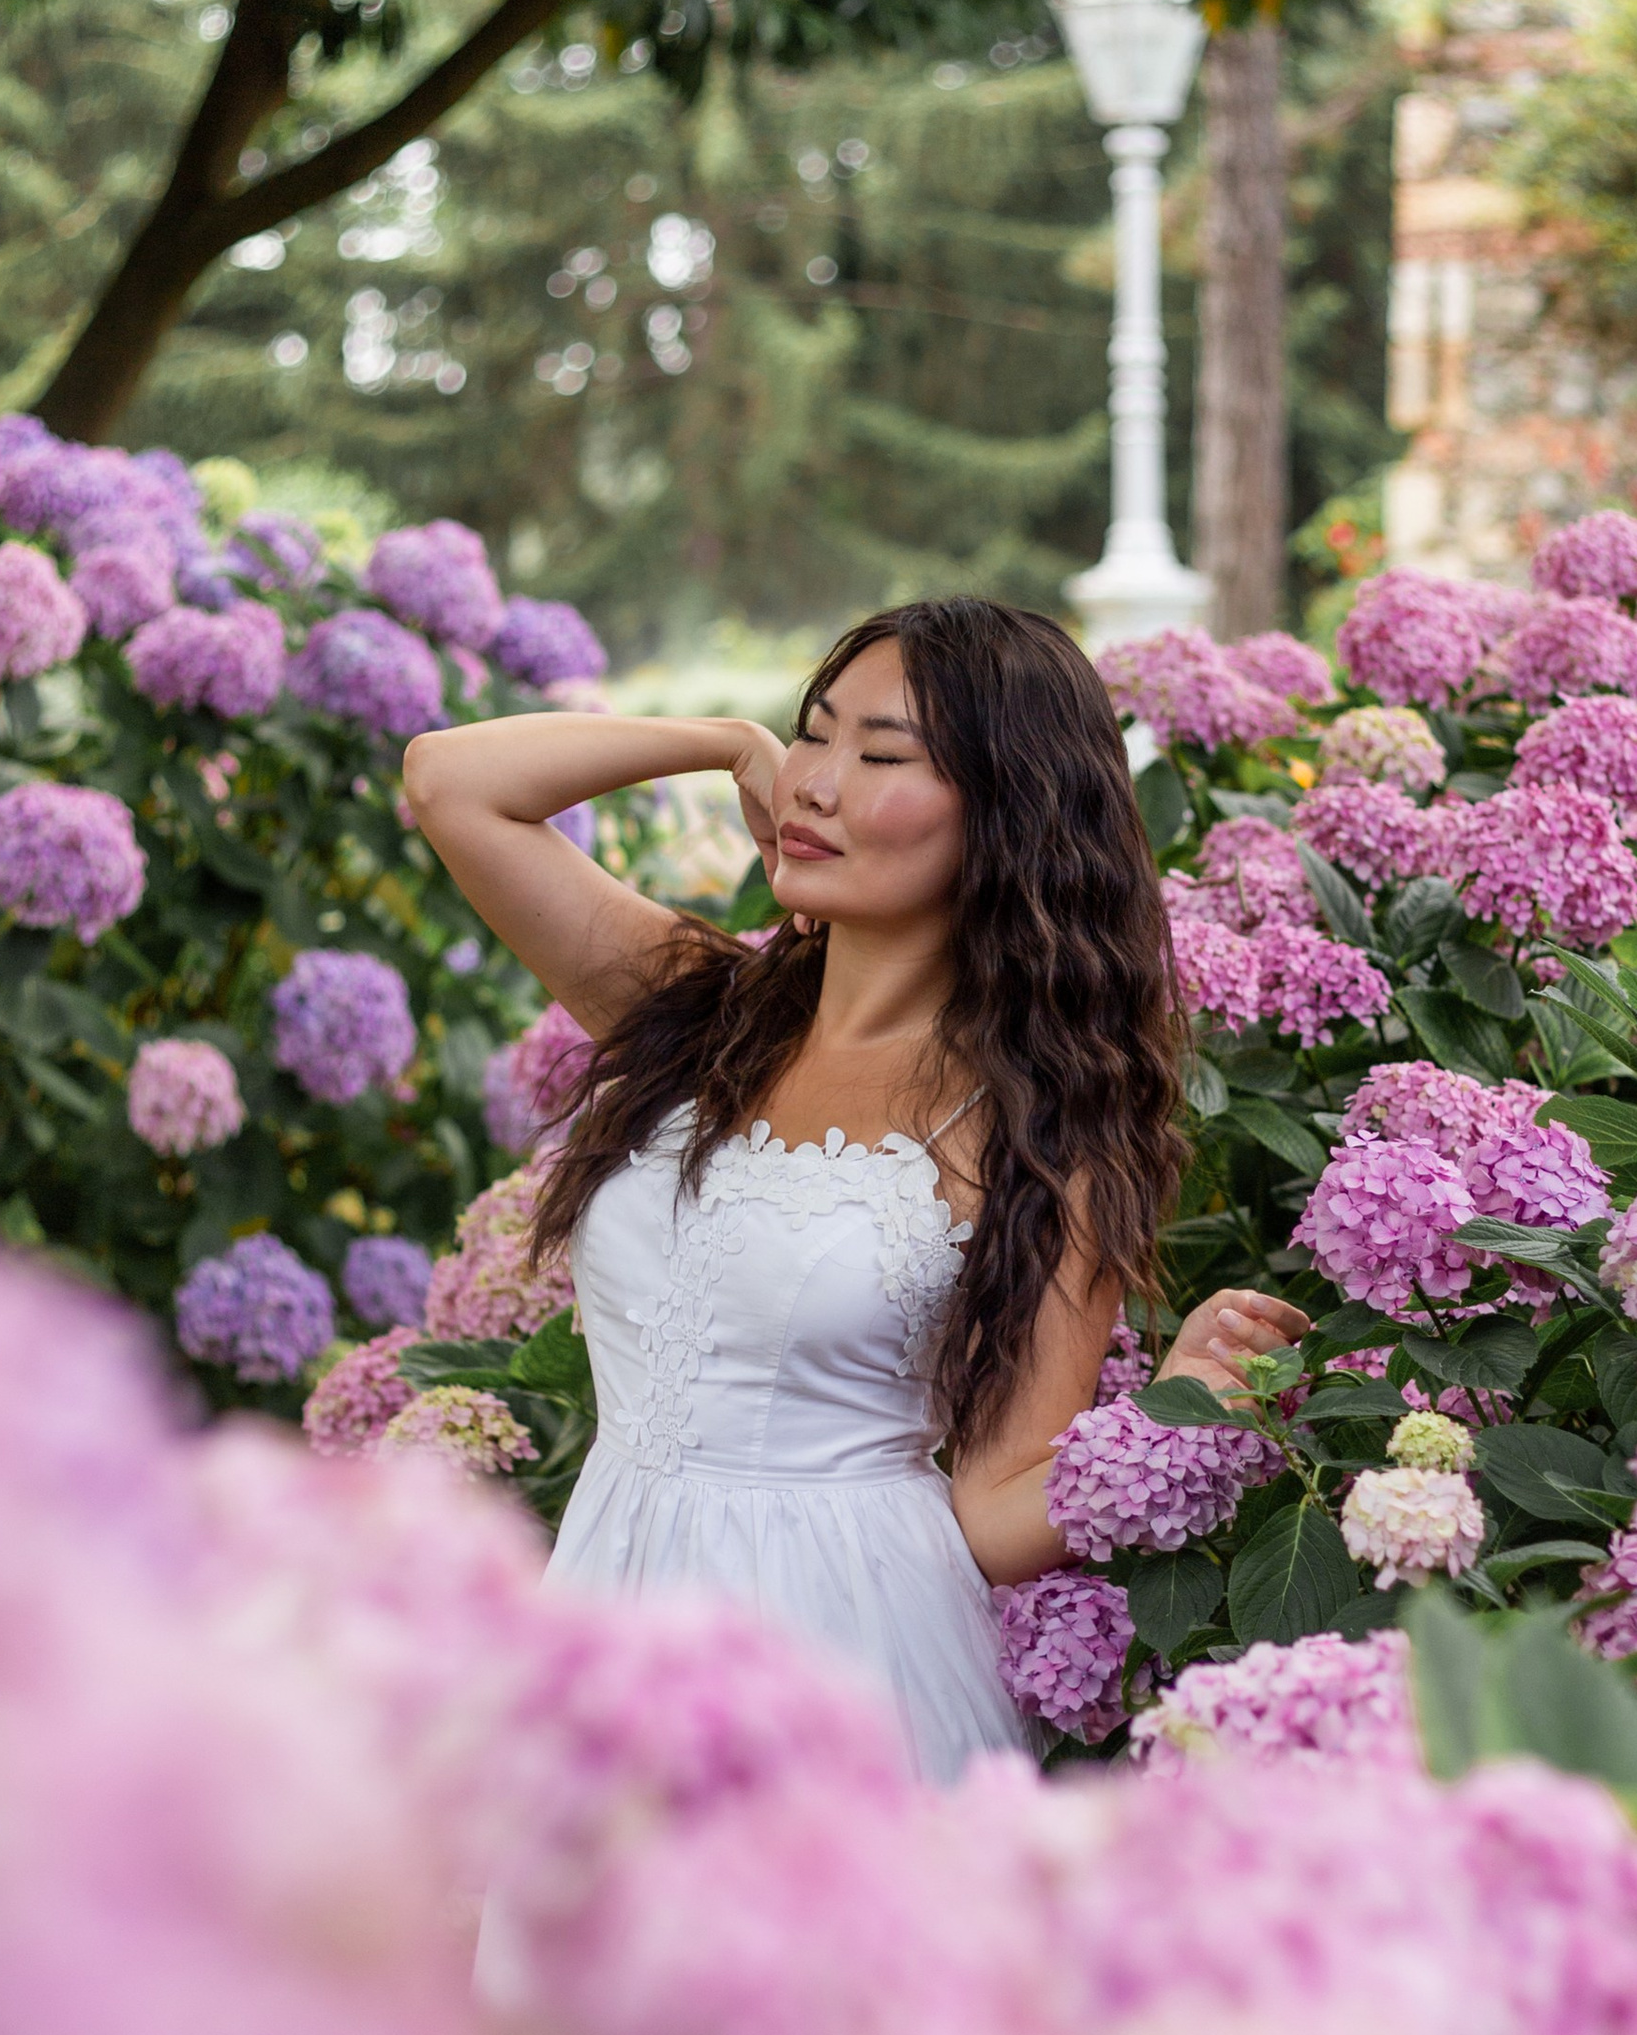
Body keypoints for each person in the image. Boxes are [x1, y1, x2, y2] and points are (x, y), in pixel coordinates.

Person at [403, 596, 1303, 1776]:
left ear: (1006, 818)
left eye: (879, 755)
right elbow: (449, 783)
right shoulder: (695, 1015)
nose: (814, 783)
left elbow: (988, 1512)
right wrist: (725, 738)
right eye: (814, 734)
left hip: (839, 1659)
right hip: (604, 1616)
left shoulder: (1039, 1133)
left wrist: (1178, 1413)